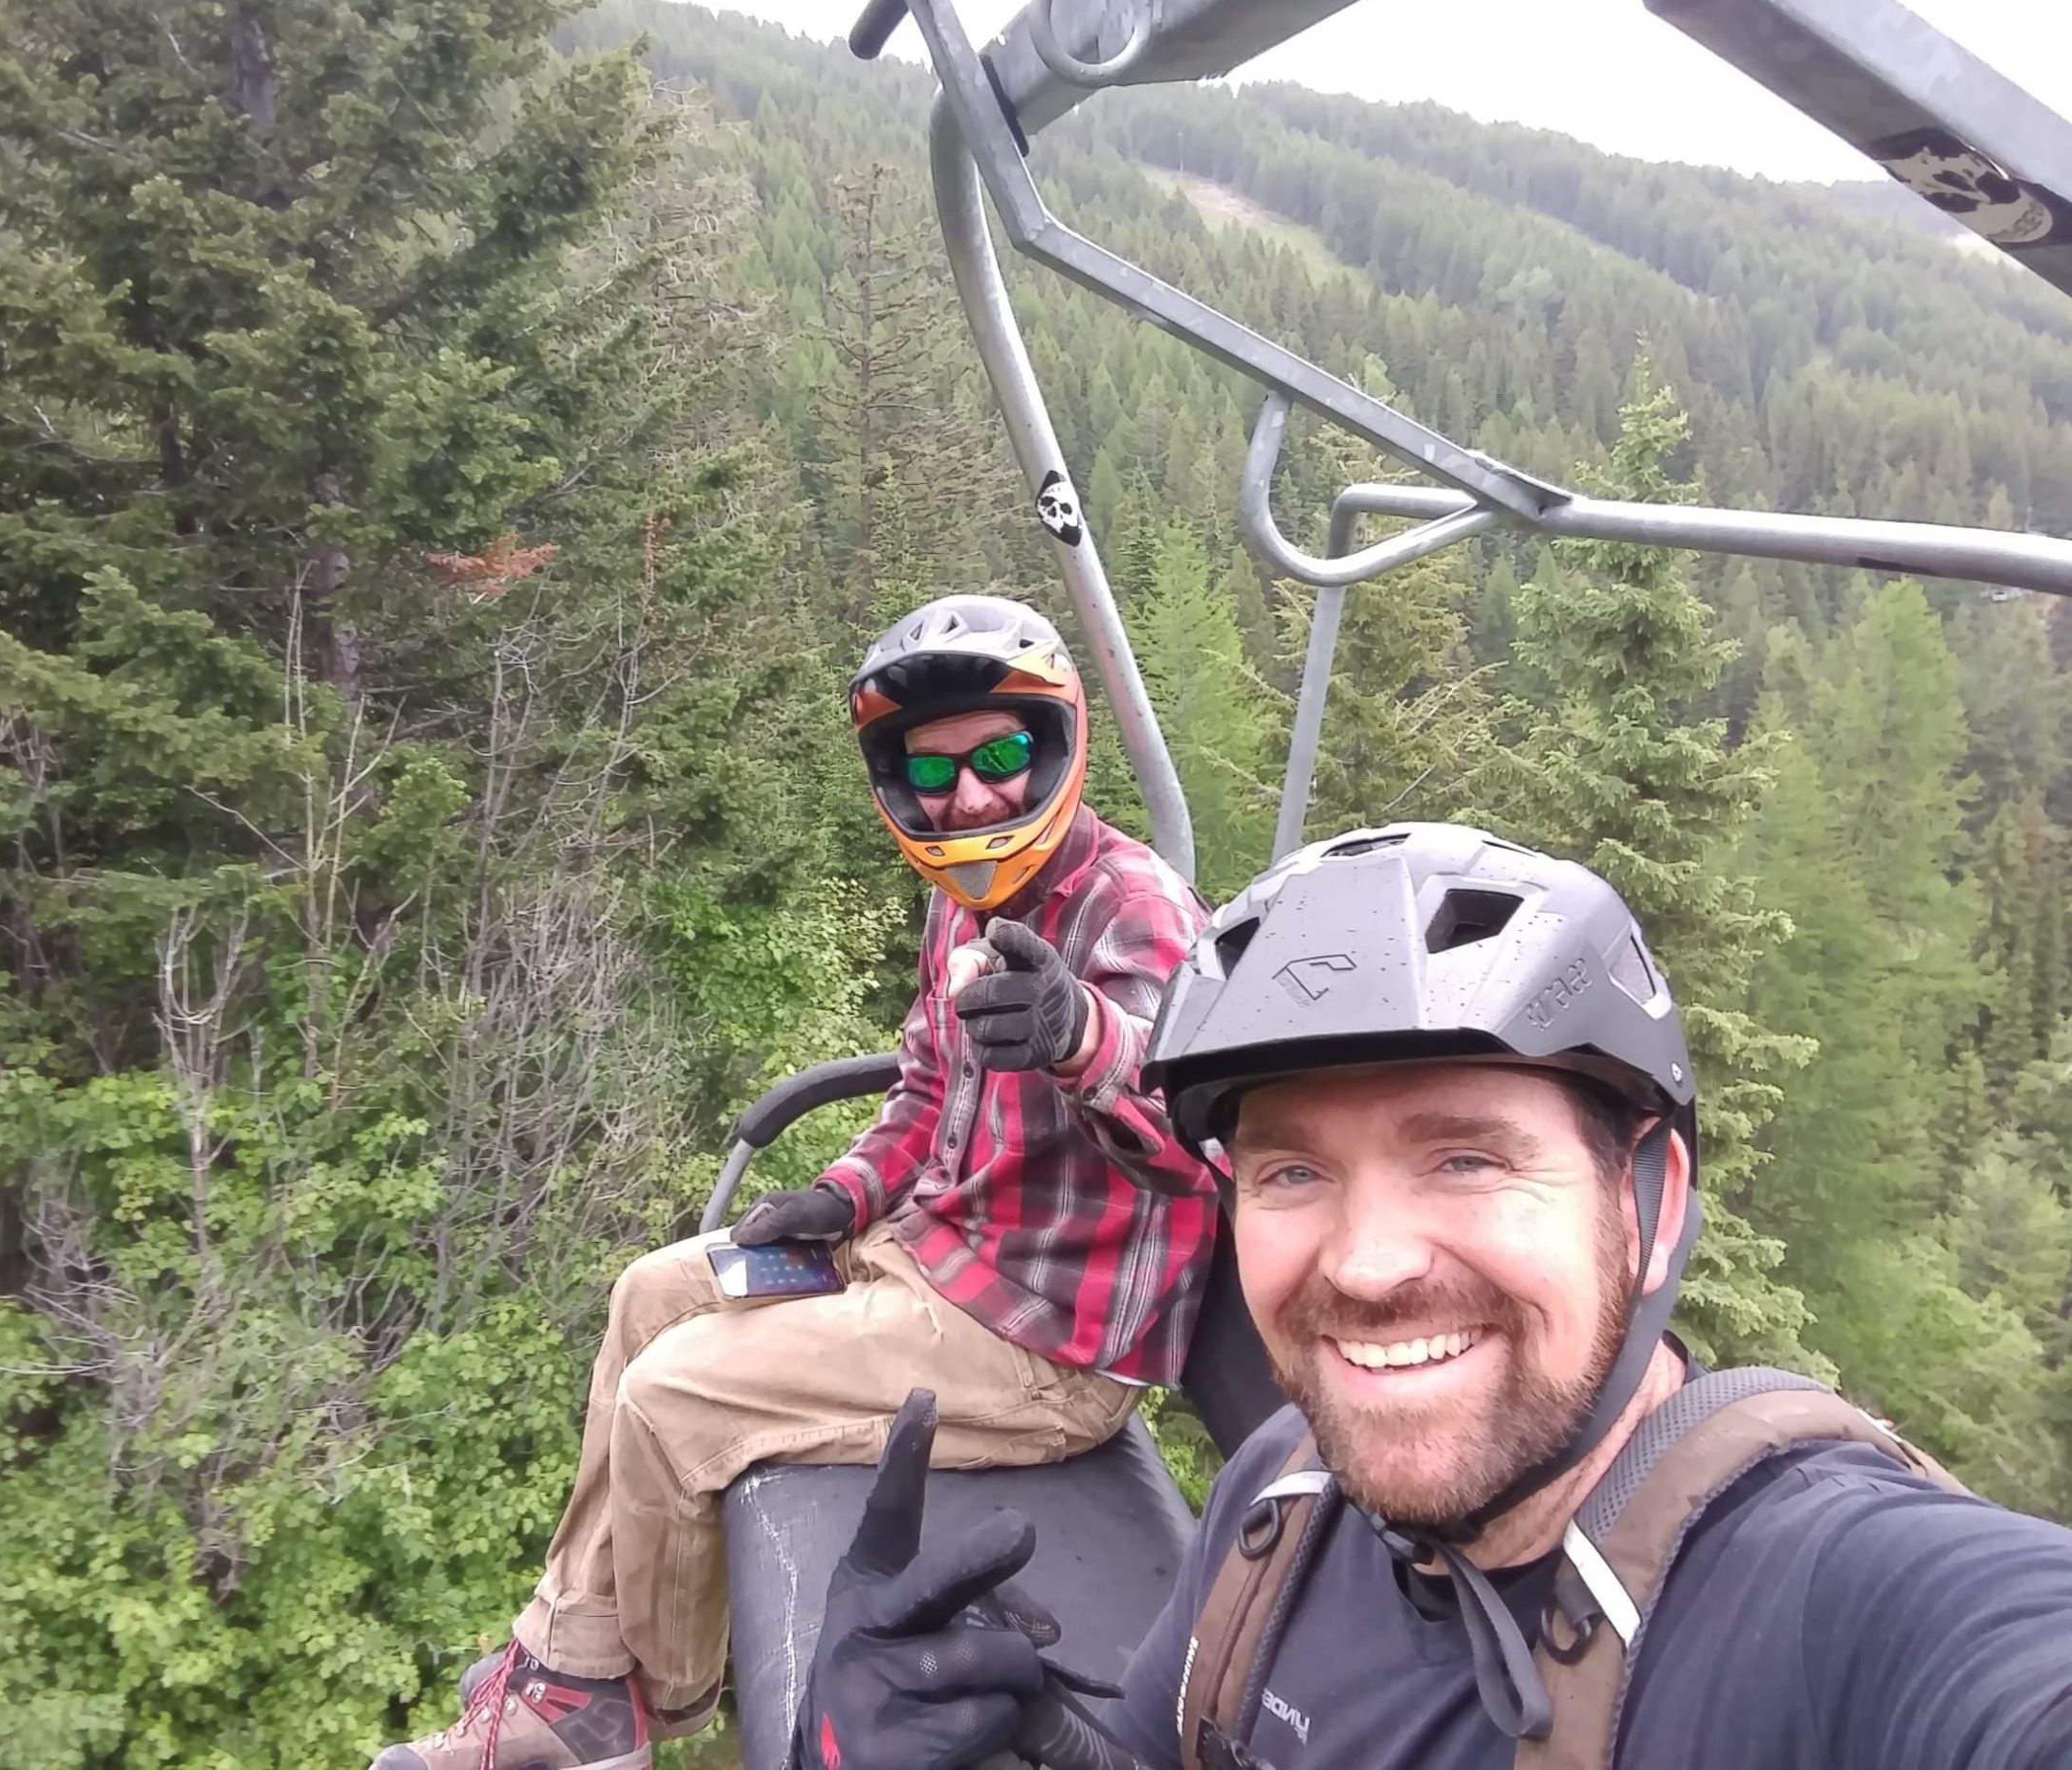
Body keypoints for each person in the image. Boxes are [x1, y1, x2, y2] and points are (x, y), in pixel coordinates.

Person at [795, 824, 2072, 1770]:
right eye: (1293, 1172)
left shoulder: (1834, 1603)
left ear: (1651, 1201)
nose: (1365, 1264)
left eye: (1465, 1159)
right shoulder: (1278, 1505)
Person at [371, 595, 1215, 1770]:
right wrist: (845, 1195)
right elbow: (925, 1089)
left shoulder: (1133, 907)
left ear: (1055, 744)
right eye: (934, 771)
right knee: (649, 1294)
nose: (970, 798)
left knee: (671, 1398)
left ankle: (632, 1710)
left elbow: (1199, 1128)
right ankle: (571, 1658)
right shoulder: (961, 901)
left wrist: (1081, 1038)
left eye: (999, 758)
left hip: (1039, 1341)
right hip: (928, 1253)